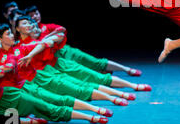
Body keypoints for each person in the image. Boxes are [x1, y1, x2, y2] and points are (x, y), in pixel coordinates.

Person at [0, 44, 109, 124]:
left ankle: (90, 117)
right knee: (3, 120)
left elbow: (0, 73)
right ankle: (32, 120)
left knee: (48, 107)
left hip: (12, 95)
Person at [0, 29, 128, 110]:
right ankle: (95, 111)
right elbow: (0, 72)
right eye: (7, 34)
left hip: (40, 77)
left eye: (10, 33)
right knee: (54, 104)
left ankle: (109, 99)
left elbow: (47, 41)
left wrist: (30, 54)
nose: (11, 36)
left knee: (78, 88)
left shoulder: (18, 48)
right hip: (25, 86)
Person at [14, 16, 152, 92]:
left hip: (60, 62)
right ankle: (116, 95)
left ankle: (130, 84)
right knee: (82, 86)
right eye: (26, 24)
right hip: (47, 72)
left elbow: (57, 36)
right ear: (18, 29)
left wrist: (40, 44)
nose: (31, 26)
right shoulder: (21, 45)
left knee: (94, 72)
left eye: (31, 24)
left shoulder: (42, 34)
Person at [24, 5, 142, 76]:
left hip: (66, 51)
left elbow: (62, 30)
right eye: (32, 15)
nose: (35, 16)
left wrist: (47, 37)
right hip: (55, 59)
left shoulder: (46, 26)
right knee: (83, 73)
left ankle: (127, 69)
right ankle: (103, 76)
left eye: (37, 13)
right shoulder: (29, 33)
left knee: (95, 62)